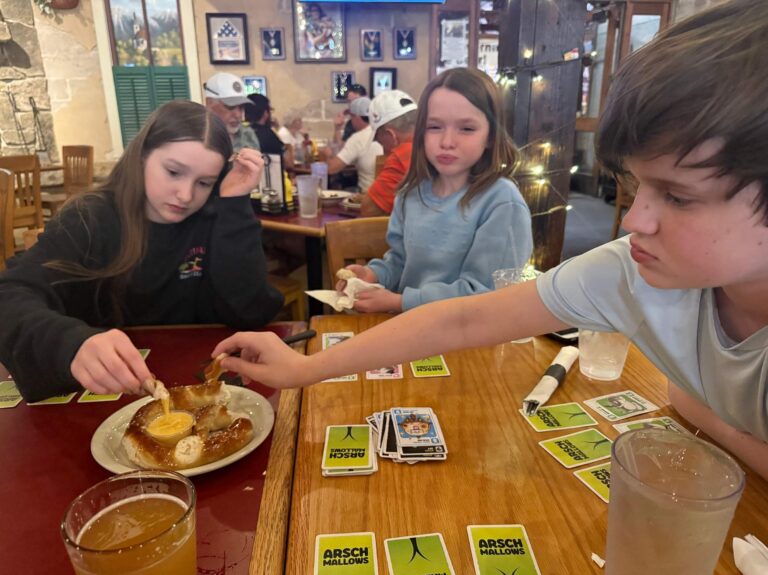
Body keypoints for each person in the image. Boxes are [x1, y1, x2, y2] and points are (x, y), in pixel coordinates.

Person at [211, 0, 768, 481]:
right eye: (636, 185)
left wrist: (706, 413)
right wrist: (304, 368)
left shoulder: (504, 201)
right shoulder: (630, 267)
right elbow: (463, 319)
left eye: (677, 196)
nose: (631, 222)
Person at [0, 100, 283, 402]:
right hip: (103, 396)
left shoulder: (217, 215)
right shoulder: (90, 218)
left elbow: (251, 312)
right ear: (142, 156)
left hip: (199, 386)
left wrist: (235, 203)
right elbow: (11, 298)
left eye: (204, 182)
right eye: (173, 172)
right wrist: (71, 343)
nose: (186, 195)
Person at [345, 68, 533, 314]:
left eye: (466, 129)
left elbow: (484, 294)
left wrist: (400, 302)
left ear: (490, 136)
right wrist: (373, 274)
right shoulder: (410, 193)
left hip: (469, 340)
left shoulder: (501, 202)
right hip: (410, 330)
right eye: (434, 127)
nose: (447, 141)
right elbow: (400, 261)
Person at [359, 89, 418, 217]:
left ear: (391, 135)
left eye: (378, 138)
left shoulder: (401, 157)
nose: (380, 144)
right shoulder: (436, 144)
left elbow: (370, 210)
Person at [321, 97, 383, 192]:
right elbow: (347, 149)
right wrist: (338, 129)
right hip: (386, 195)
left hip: (366, 195)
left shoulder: (358, 137)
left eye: (351, 117)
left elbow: (331, 169)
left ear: (357, 117)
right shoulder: (381, 132)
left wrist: (327, 156)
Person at [203, 72, 260, 152]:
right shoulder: (197, 137)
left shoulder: (248, 134)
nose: (238, 115)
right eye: (230, 107)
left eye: (241, 107)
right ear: (209, 104)